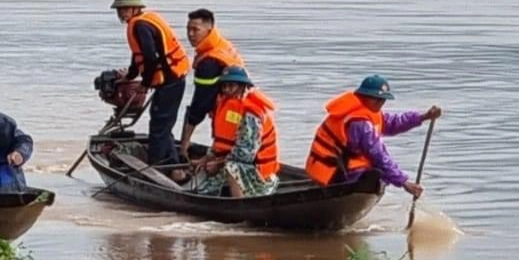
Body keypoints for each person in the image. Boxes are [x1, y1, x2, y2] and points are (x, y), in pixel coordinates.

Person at [304, 75, 442, 197]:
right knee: (377, 173)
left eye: (382, 100)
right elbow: (378, 155)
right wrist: (404, 182)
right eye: (376, 99)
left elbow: (393, 123)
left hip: (339, 170)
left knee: (379, 174)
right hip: (336, 174)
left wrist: (424, 117)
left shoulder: (370, 113)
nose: (380, 103)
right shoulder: (359, 123)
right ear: (363, 96)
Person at [111, 0, 190, 166]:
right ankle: (172, 162)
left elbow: (150, 57)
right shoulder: (142, 22)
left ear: (135, 8)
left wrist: (144, 84)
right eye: (119, 10)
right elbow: (137, 55)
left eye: (125, 9)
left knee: (159, 124)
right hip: (173, 77)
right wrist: (131, 76)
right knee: (163, 122)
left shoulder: (140, 26)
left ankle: (158, 165)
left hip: (170, 79)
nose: (122, 13)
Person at [189, 66, 279, 198]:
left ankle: (240, 207)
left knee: (233, 167)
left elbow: (245, 154)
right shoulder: (224, 104)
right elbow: (220, 143)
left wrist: (218, 164)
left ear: (242, 86)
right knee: (204, 184)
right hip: (234, 161)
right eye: (224, 86)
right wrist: (208, 158)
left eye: (231, 86)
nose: (226, 90)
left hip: (259, 173)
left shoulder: (252, 113)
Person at [178, 8, 246, 161]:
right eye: (188, 29)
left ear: (209, 29)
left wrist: (184, 144)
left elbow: (201, 103)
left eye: (195, 30)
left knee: (223, 146)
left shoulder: (209, 62)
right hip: (243, 106)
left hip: (230, 112)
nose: (190, 34)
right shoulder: (222, 45)